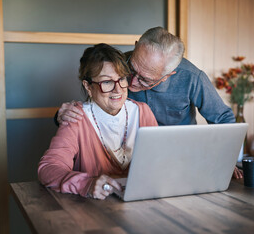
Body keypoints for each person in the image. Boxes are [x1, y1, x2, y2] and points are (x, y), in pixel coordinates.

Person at [54, 27, 243, 179]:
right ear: (136, 47)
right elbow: (96, 94)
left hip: (179, 159)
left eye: (145, 80)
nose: (132, 83)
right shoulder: (120, 65)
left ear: (168, 75)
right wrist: (63, 116)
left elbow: (223, 118)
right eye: (132, 70)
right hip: (134, 164)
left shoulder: (192, 78)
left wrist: (225, 159)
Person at [38, 43, 158, 200]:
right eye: (107, 82)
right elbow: (48, 168)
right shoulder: (75, 117)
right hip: (94, 209)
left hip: (141, 203)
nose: (118, 89)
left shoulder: (143, 111)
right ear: (88, 86)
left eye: (121, 79)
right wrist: (86, 184)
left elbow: (159, 163)